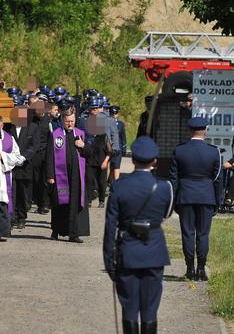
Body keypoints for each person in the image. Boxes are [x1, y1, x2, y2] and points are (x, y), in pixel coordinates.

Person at [104, 136, 173, 334]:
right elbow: (166, 213)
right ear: (155, 161)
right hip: (154, 252)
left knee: (130, 309)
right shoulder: (165, 187)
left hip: (128, 252)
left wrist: (109, 262)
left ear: (133, 159)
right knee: (150, 309)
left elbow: (110, 228)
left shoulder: (119, 186)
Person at [169, 117, 222, 281]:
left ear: (189, 130)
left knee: (187, 233)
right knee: (203, 234)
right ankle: (201, 269)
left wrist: (173, 200)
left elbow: (173, 179)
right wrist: (218, 201)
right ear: (206, 130)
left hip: (185, 196)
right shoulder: (214, 151)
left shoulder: (179, 150)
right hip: (206, 196)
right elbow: (218, 179)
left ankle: (190, 268)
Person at [46, 107, 95, 243]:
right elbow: (49, 156)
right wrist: (50, 175)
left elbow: (90, 153)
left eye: (72, 121)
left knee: (74, 204)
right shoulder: (55, 135)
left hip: (76, 176)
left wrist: (83, 145)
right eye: (67, 121)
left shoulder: (80, 134)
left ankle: (73, 234)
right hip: (59, 175)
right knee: (59, 204)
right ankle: (56, 230)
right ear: (62, 120)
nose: (70, 124)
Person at [5, 105, 39, 229]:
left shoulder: (33, 127)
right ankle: (12, 217)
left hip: (25, 166)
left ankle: (22, 217)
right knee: (11, 192)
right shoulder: (8, 128)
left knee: (23, 194)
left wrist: (23, 157)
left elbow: (34, 146)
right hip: (11, 165)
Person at [110, 105, 127, 182]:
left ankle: (116, 183)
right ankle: (109, 183)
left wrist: (124, 148)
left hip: (118, 149)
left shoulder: (120, 124)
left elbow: (123, 137)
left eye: (115, 113)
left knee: (116, 166)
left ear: (117, 114)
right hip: (108, 148)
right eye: (112, 113)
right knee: (110, 167)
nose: (113, 115)